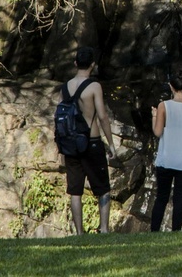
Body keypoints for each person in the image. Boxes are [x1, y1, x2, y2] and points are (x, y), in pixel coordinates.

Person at [60, 46, 117, 235]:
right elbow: (102, 116)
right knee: (103, 188)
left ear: (75, 63)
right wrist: (111, 143)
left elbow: (62, 117)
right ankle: (104, 229)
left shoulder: (65, 87)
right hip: (91, 141)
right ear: (92, 65)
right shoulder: (94, 86)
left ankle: (79, 232)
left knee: (75, 191)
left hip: (70, 144)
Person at [150, 70, 182, 231]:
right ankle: (176, 231)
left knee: (162, 197)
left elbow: (158, 132)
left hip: (167, 158)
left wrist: (154, 116)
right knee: (180, 198)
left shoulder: (164, 106)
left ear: (171, 87)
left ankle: (154, 231)